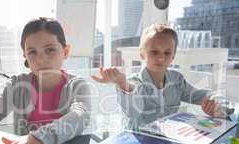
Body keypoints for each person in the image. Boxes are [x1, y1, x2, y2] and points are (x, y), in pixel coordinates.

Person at [0, 17, 91, 144]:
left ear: (66, 51)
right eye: (32, 52)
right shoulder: (17, 84)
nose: (41, 59)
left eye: (50, 50)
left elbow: (81, 115)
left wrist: (41, 138)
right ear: (25, 56)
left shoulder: (77, 85)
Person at [92, 23, 226, 130]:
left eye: (167, 53)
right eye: (154, 52)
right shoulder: (133, 82)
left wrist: (217, 105)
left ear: (173, 56)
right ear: (142, 54)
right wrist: (122, 84)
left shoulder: (177, 80)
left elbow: (203, 95)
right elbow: (133, 112)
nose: (161, 58)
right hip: (139, 142)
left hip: (171, 140)